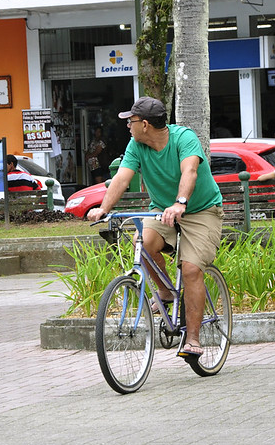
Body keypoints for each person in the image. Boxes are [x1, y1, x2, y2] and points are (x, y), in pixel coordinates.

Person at [86, 97, 224, 359]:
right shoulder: (136, 146)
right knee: (143, 243)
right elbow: (122, 177)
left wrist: (180, 202)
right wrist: (103, 208)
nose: (128, 125)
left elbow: (190, 171)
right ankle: (165, 291)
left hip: (201, 210)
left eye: (132, 120)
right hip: (162, 209)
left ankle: (193, 339)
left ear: (145, 124)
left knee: (192, 269)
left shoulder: (184, 138)